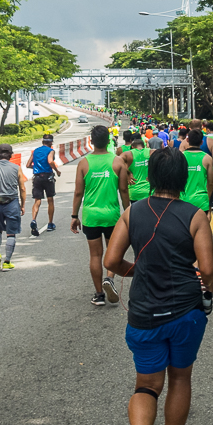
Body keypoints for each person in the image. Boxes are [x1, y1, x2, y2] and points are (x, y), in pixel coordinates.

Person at [104, 147, 213, 425]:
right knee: (180, 378)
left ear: (150, 178)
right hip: (185, 312)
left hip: (144, 315)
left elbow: (111, 261)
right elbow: (209, 268)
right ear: (184, 179)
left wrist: (135, 272)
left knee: (146, 385)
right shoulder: (195, 215)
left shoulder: (131, 212)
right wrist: (208, 292)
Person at [71, 125, 130, 306]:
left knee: (95, 256)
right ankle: (109, 279)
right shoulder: (118, 162)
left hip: (91, 217)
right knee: (114, 252)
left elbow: (78, 193)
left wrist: (74, 215)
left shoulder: (83, 163)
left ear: (91, 141)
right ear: (109, 141)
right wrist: (129, 213)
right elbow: (123, 190)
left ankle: (98, 295)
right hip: (112, 216)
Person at [0, 143, 27, 270]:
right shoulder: (16, 168)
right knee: (11, 233)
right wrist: (22, 205)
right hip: (12, 203)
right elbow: (22, 188)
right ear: (11, 155)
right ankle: (7, 261)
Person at [26, 134, 61, 236]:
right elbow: (50, 161)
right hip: (47, 177)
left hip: (37, 177)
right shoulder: (50, 151)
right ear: (51, 143)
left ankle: (33, 220)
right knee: (50, 200)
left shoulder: (35, 151)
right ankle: (50, 224)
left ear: (42, 142)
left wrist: (36, 168)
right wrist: (57, 171)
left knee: (37, 201)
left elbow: (28, 165)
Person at [181, 130, 213, 214]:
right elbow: (211, 183)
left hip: (183, 199)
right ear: (202, 142)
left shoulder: (180, 156)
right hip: (201, 201)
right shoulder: (207, 158)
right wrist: (208, 197)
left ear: (187, 140)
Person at [122, 135, 152, 204]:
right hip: (148, 191)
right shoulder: (151, 152)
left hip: (134, 191)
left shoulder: (127, 154)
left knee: (136, 214)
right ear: (143, 146)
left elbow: (115, 163)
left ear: (132, 147)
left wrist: (128, 172)